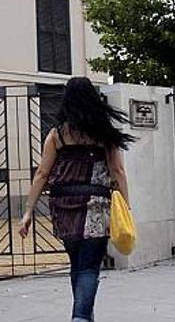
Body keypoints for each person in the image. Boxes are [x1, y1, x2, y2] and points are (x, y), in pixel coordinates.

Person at [19, 77, 134, 322]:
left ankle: (84, 316)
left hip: (64, 208)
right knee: (89, 267)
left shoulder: (56, 135)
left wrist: (28, 210)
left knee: (77, 265)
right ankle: (80, 317)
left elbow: (42, 173)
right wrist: (127, 205)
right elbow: (118, 172)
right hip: (95, 207)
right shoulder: (104, 134)